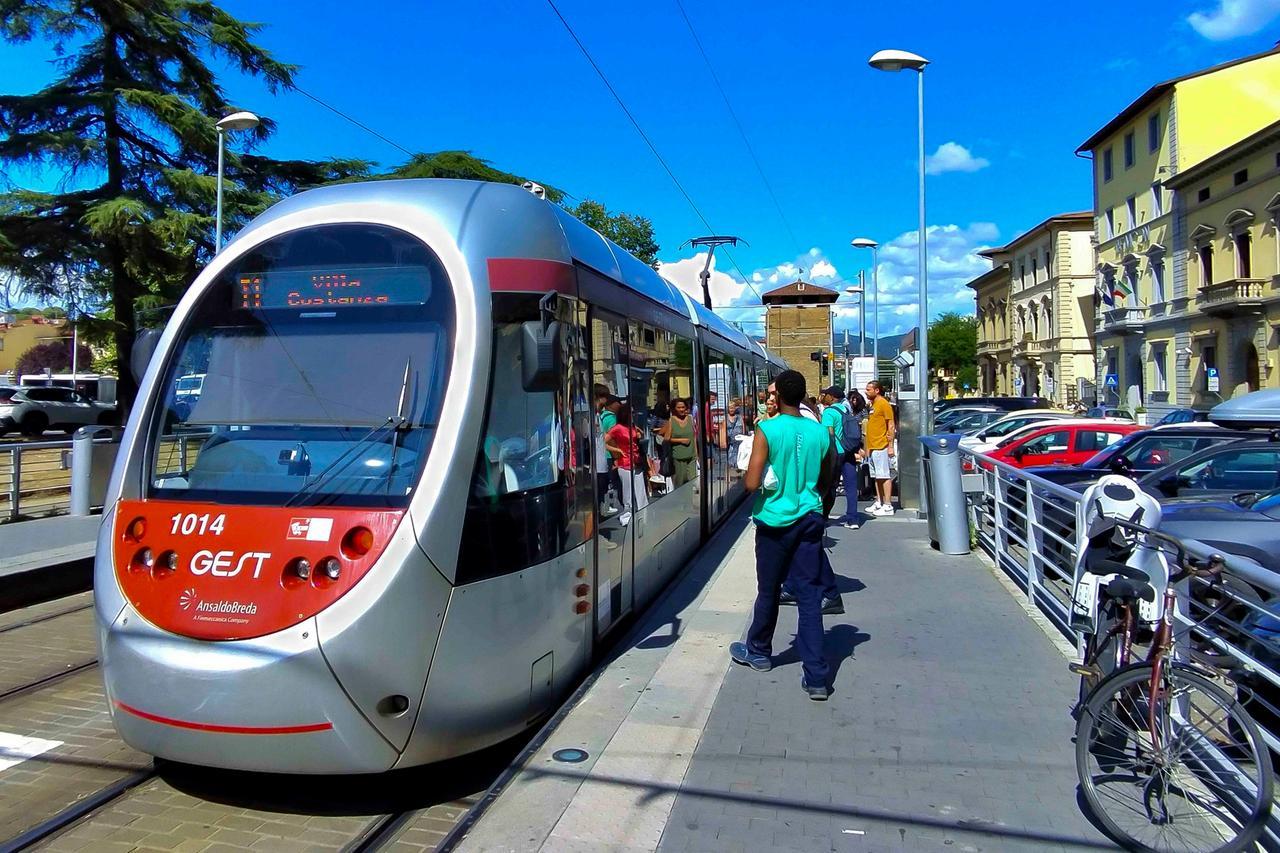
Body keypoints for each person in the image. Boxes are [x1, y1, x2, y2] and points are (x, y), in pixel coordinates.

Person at [729, 369, 836, 701]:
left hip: (775, 521)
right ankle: (817, 677)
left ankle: (759, 650)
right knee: (809, 596)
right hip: (809, 518)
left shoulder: (768, 429)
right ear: (803, 395)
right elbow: (827, 478)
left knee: (769, 589)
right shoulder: (820, 432)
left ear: (780, 396)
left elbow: (750, 483)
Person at [605, 402, 648, 520]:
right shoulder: (617, 428)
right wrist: (616, 450)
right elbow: (604, 441)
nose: (633, 415)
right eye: (631, 412)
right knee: (627, 493)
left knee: (641, 491)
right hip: (625, 463)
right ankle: (627, 517)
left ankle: (644, 516)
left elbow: (638, 439)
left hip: (636, 461)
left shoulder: (632, 426)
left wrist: (639, 434)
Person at [864, 379, 896, 516]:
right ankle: (879, 501)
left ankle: (888, 505)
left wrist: (890, 446)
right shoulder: (873, 405)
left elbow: (891, 425)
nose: (866, 392)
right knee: (877, 476)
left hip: (881, 445)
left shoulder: (883, 404)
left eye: (869, 389)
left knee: (884, 475)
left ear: (877, 390)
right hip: (873, 446)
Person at [817, 386, 847, 521]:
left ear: (833, 397)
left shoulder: (829, 412)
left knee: (826, 484)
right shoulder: (844, 409)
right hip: (844, 450)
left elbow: (829, 433)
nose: (825, 396)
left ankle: (823, 514)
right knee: (834, 485)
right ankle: (827, 514)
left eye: (827, 394)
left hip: (833, 451)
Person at [661, 398, 698, 487]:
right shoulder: (672, 420)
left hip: (691, 456)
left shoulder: (690, 418)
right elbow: (666, 438)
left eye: (683, 407)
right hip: (679, 457)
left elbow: (694, 437)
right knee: (681, 483)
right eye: (679, 407)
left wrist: (697, 454)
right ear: (674, 409)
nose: (681, 409)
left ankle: (690, 500)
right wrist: (681, 440)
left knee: (693, 481)